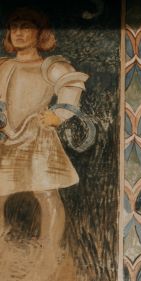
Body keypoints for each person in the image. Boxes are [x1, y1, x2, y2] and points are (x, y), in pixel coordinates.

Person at [0, 9, 88, 255]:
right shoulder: (3, 66)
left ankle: (49, 249)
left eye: (25, 26)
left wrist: (57, 115)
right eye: (13, 26)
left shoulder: (50, 66)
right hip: (6, 136)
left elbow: (70, 89)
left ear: (40, 32)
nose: (18, 32)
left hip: (38, 135)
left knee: (46, 192)